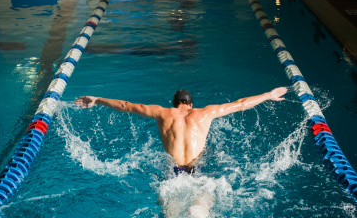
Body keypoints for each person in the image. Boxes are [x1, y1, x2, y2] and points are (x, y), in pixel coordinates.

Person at [74, 87, 288, 174]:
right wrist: (268, 94)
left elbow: (125, 105)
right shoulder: (206, 113)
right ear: (191, 104)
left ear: (174, 103)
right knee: (201, 215)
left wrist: (98, 100)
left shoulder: (162, 113)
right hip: (196, 172)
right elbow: (241, 103)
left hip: (172, 173)